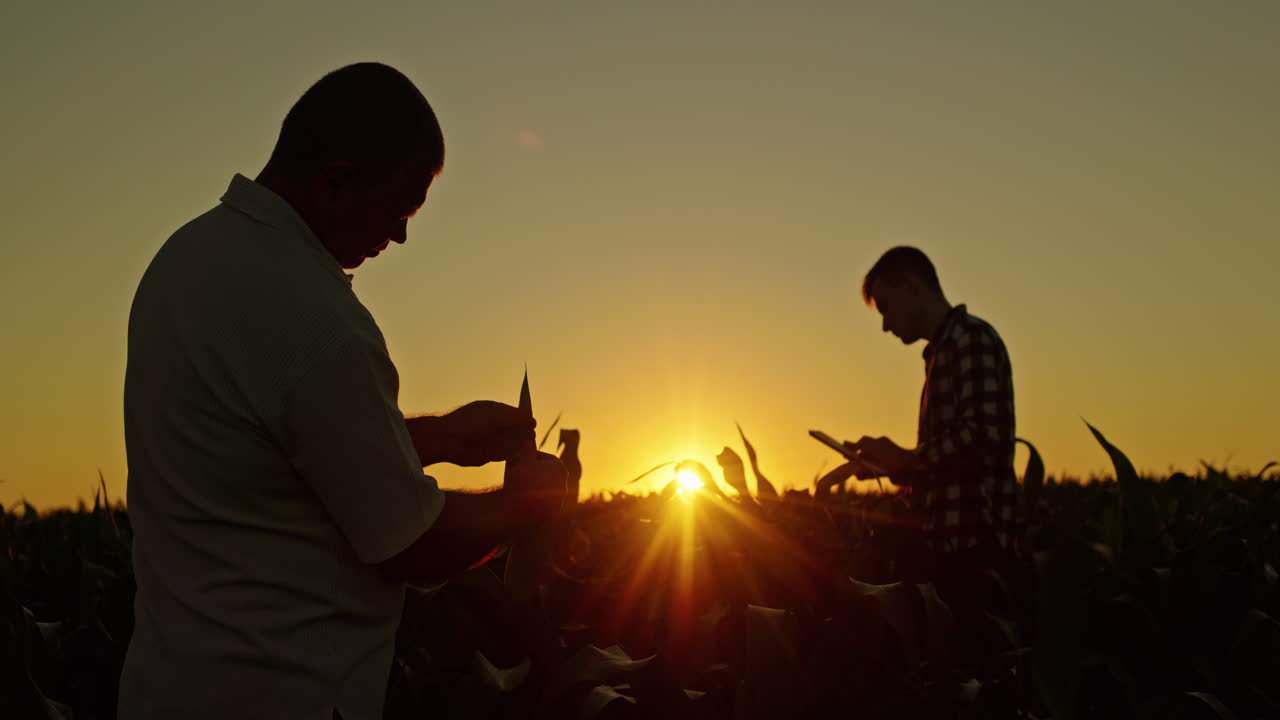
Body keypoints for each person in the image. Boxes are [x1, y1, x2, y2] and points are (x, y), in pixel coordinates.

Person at [118, 62, 566, 720]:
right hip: (278, 694)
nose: (403, 234)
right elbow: (409, 543)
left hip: (171, 687)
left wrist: (439, 435)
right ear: (335, 183)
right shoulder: (317, 320)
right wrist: (525, 506)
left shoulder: (185, 261)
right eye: (400, 208)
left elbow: (274, 458)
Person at [823, 246, 1017, 649]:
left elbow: (982, 436)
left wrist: (905, 458)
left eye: (887, 307)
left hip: (973, 552)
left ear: (911, 285)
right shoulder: (944, 352)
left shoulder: (971, 340)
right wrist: (889, 466)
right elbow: (950, 458)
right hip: (950, 548)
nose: (885, 326)